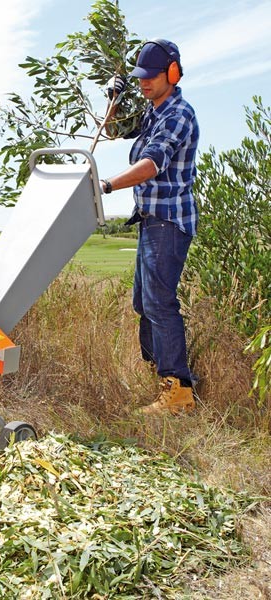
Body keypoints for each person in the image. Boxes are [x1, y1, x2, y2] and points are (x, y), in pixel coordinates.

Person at [100, 39, 199, 415]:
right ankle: (160, 375)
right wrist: (113, 97)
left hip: (169, 222)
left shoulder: (178, 114)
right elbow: (112, 130)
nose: (144, 83)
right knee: (143, 302)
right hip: (150, 221)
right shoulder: (152, 112)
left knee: (160, 303)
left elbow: (152, 164)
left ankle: (179, 390)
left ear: (172, 74)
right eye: (139, 77)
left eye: (151, 77)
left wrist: (107, 184)